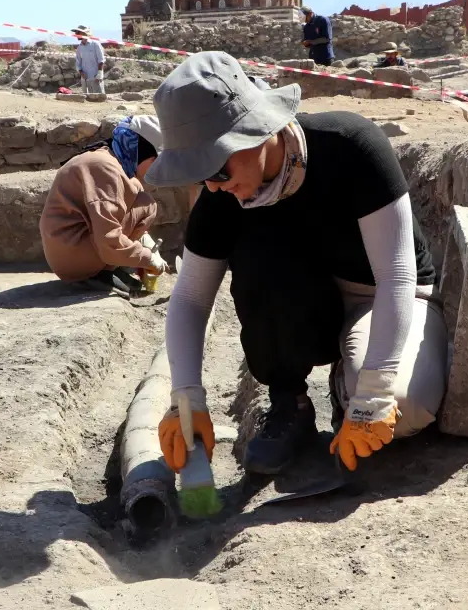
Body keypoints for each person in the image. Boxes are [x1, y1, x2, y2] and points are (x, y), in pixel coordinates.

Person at [147, 51, 448, 476]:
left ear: (256, 131)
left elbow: (397, 274)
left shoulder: (351, 147)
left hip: (381, 294)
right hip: (304, 301)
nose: (215, 187)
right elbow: (192, 297)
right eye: (202, 176)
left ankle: (352, 381)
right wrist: (186, 399)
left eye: (217, 165)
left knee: (405, 407)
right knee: (256, 250)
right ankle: (290, 400)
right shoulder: (223, 192)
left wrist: (375, 390)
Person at [39, 115, 167, 297]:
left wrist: (144, 240)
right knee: (147, 206)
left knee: (142, 199)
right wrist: (147, 258)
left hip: (71, 249)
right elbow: (108, 237)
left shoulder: (110, 159)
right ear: (142, 152)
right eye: (156, 162)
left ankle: (104, 269)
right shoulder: (105, 168)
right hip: (72, 257)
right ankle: (95, 272)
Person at [73, 26, 107, 95]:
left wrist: (99, 74)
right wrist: (81, 73)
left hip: (95, 78)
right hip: (85, 79)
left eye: (77, 32)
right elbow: (78, 63)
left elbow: (101, 60)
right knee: (87, 102)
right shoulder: (79, 47)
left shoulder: (95, 44)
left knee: (99, 99)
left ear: (84, 33)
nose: (76, 34)